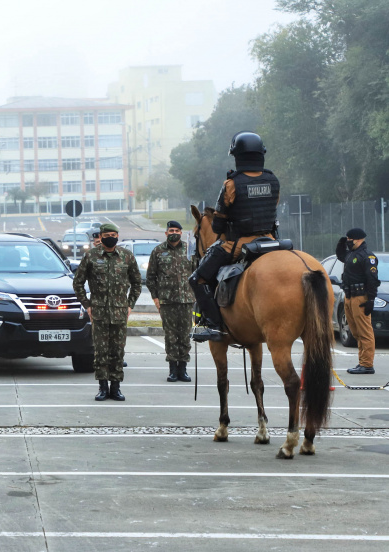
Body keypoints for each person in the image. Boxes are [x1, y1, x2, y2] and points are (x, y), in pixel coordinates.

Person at [190, 131, 280, 342]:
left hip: (239, 244)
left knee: (196, 279)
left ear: (236, 156)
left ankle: (214, 325)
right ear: (261, 154)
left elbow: (219, 223)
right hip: (271, 241)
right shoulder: (273, 180)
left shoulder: (231, 184)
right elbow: (272, 208)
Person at [73, 223, 141, 401]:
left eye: (114, 234)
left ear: (118, 236)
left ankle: (116, 388)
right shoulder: (91, 256)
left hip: (119, 312)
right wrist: (87, 304)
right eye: (107, 234)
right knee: (101, 352)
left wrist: (129, 304)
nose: (111, 237)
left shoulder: (126, 256)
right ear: (101, 237)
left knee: (117, 352)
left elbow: (136, 283)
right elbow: (78, 282)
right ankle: (103, 387)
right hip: (99, 312)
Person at [146, 221, 193, 382]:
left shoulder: (189, 250)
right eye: (171, 230)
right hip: (167, 301)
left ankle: (183, 369)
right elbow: (151, 277)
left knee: (185, 335)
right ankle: (173, 369)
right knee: (171, 336)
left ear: (181, 232)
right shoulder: (158, 251)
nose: (174, 232)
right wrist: (156, 298)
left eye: (177, 230)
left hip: (186, 300)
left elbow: (198, 272)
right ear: (166, 233)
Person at [336, 228, 380, 374]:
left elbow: (372, 280)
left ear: (359, 239)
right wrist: (341, 244)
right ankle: (362, 362)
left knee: (364, 331)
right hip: (348, 296)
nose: (348, 242)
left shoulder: (367, 256)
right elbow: (341, 256)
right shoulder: (352, 254)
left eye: (350, 239)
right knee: (355, 332)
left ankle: (367, 364)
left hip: (361, 297)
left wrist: (371, 300)